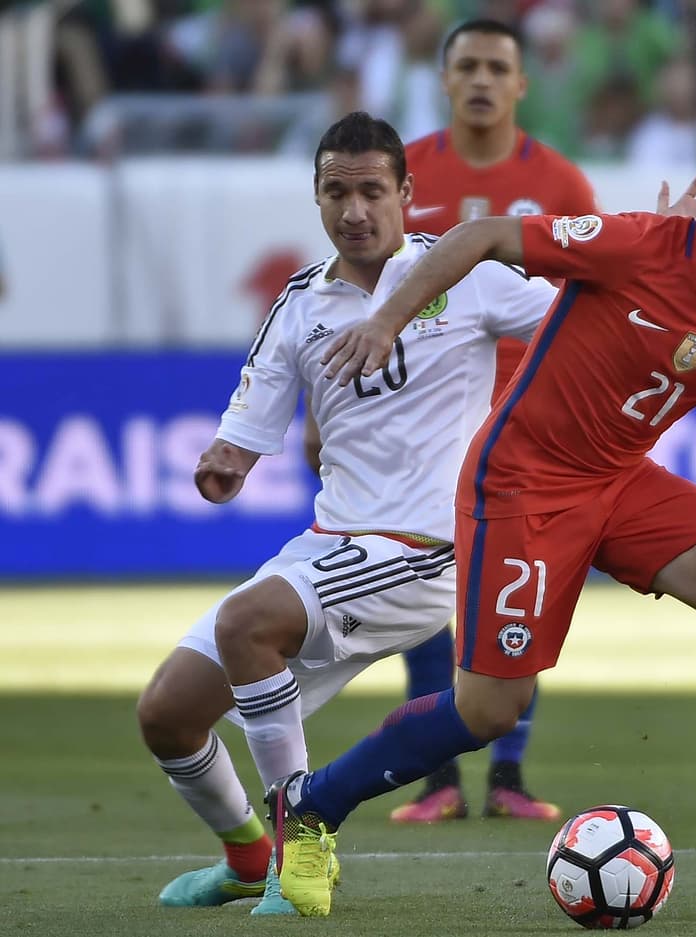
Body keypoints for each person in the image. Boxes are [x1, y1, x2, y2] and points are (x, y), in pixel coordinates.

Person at [260, 140, 696, 917]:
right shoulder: (635, 245)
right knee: (490, 710)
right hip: (523, 482)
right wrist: (389, 319)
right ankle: (314, 802)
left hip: (619, 479)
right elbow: (484, 234)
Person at [134, 110, 561, 914]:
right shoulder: (300, 304)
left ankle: (302, 842)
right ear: (317, 198)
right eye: (337, 192)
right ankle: (247, 856)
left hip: (431, 545)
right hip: (332, 545)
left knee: (245, 623)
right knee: (167, 712)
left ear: (406, 193)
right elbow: (244, 431)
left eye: (372, 190)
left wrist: (670, 254)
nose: (355, 210)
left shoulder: (463, 273)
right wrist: (225, 464)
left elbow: (578, 318)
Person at [389, 16, 600, 825]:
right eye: (466, 65)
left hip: (529, 420)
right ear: (445, 80)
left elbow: (590, 299)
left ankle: (509, 774)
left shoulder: (562, 184)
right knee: (419, 588)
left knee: (517, 587)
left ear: (521, 84)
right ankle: (437, 776)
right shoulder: (402, 175)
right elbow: (359, 292)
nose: (480, 79)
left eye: (496, 67)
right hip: (428, 412)